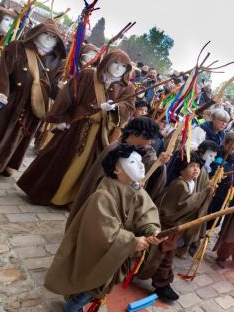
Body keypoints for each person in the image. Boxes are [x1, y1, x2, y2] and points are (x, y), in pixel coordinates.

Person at [44, 144, 164, 312]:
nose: (141, 165)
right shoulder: (103, 195)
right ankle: (72, 308)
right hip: (98, 252)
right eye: (132, 161)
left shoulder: (136, 190)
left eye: (140, 161)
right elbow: (104, 231)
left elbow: (145, 213)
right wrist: (131, 242)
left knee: (102, 284)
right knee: (93, 283)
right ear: (117, 169)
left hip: (116, 252)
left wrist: (151, 230)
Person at [17, 49, 136, 207]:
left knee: (84, 168)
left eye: (123, 66)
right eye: (115, 62)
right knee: (59, 158)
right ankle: (43, 193)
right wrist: (60, 117)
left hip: (99, 134)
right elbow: (67, 95)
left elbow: (128, 109)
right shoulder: (88, 75)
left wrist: (115, 108)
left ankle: (70, 199)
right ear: (107, 61)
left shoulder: (127, 88)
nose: (118, 68)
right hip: (75, 125)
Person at [0, 19, 65, 183]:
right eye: (46, 34)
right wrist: (1, 92)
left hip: (35, 104)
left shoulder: (58, 60)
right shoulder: (17, 47)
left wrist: (63, 90)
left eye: (53, 37)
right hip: (12, 99)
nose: (49, 39)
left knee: (21, 137)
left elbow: (54, 87)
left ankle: (7, 164)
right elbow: (3, 70)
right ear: (37, 33)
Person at [66, 117, 169, 229]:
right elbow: (98, 178)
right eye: (149, 138)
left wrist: (159, 163)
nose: (151, 142)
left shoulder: (146, 149)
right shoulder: (114, 149)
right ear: (140, 134)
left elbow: (149, 165)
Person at [138, 151, 214, 301]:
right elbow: (182, 206)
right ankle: (160, 284)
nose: (196, 169)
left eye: (198, 166)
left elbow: (191, 202)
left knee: (167, 255)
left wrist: (207, 191)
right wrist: (204, 193)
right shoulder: (180, 184)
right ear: (181, 169)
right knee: (162, 255)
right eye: (192, 166)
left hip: (174, 229)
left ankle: (163, 283)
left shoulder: (191, 183)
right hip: (167, 226)